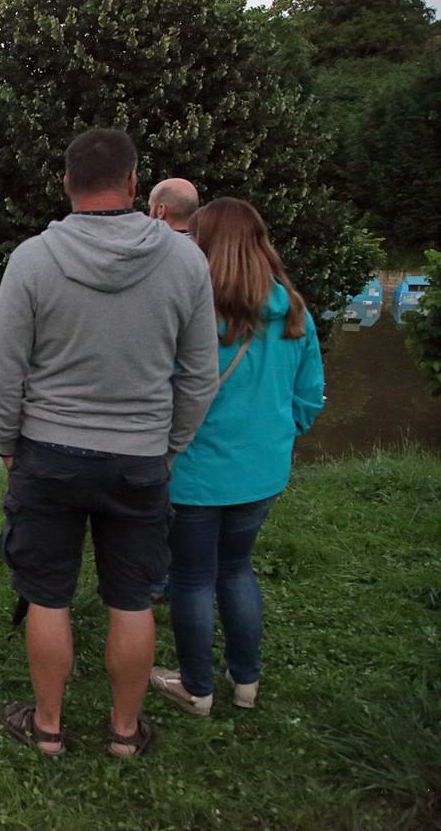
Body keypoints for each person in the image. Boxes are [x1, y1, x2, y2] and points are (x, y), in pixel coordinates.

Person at [0, 129, 219, 757]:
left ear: (66, 183)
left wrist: (8, 441)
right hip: (140, 457)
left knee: (47, 594)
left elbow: (3, 368)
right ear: (136, 185)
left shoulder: (31, 259)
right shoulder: (186, 261)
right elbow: (200, 375)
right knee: (132, 598)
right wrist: (167, 446)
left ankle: (49, 729)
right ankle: (123, 734)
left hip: (47, 455)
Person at [150, 198, 324, 715]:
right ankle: (245, 683)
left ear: (201, 244)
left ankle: (197, 688)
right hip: (262, 472)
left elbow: (165, 389)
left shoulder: (189, 311)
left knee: (193, 577)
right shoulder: (292, 308)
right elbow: (310, 397)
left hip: (195, 474)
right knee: (237, 569)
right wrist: (275, 434)